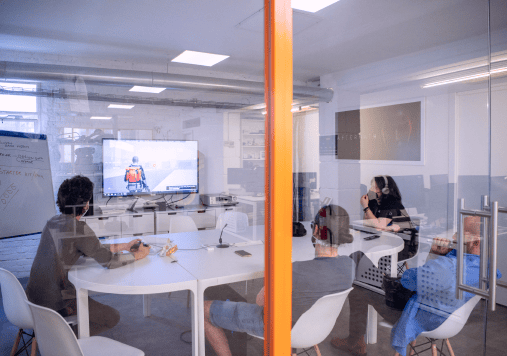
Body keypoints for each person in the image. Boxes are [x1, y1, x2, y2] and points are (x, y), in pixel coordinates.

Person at [331, 216, 502, 356]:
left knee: (358, 269)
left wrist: (398, 275)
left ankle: (355, 342)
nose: (455, 236)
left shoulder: (449, 267)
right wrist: (439, 255)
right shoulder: (488, 268)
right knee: (362, 267)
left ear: (476, 242)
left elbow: (410, 280)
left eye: (462, 232)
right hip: (446, 316)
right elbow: (435, 280)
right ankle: (356, 341)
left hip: (416, 313)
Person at [203, 205, 356, 356]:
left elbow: (259, 301)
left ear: (315, 230)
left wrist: (275, 272)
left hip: (280, 329)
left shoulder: (295, 270)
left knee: (203, 309)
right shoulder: (349, 265)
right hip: (318, 331)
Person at [26, 175, 150, 336]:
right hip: (54, 303)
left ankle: (54, 334)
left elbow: (90, 247)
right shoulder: (79, 229)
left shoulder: (52, 222)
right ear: (85, 205)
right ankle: (62, 338)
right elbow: (110, 262)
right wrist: (138, 256)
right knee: (112, 317)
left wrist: (125, 246)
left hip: (31, 298)